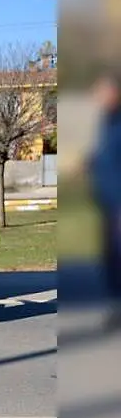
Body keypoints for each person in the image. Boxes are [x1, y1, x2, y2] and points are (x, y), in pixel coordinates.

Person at [88, 72, 121, 330]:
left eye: (102, 92)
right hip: (106, 205)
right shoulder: (106, 122)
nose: (98, 98)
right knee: (110, 258)